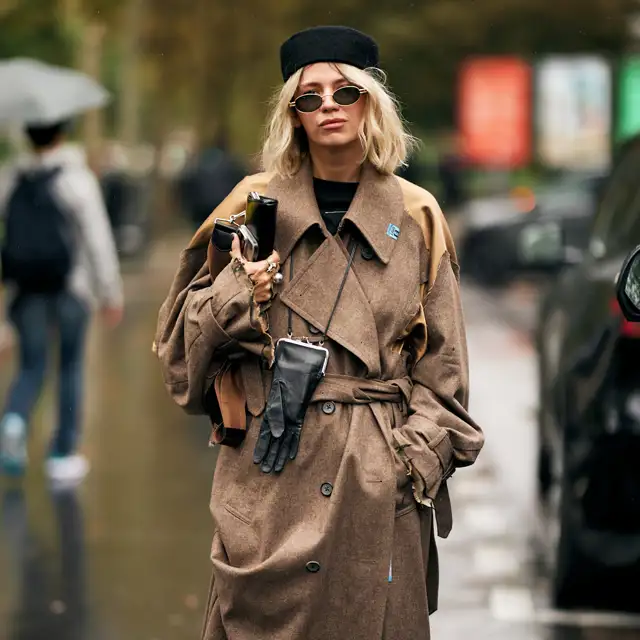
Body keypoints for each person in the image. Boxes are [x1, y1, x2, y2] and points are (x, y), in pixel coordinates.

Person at [155, 26, 484, 639]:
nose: (328, 105)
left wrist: (406, 463)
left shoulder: (416, 216)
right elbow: (179, 357)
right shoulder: (247, 207)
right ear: (293, 115)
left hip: (375, 487)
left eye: (345, 91)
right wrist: (236, 295)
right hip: (269, 483)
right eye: (310, 97)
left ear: (371, 102)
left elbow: (445, 374)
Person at [0, 120, 123, 484]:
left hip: (27, 293)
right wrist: (110, 292)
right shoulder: (77, 179)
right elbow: (97, 239)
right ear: (61, 133)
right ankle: (62, 454)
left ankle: (13, 421)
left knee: (31, 366)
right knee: (69, 366)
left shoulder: (11, 179)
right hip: (72, 289)